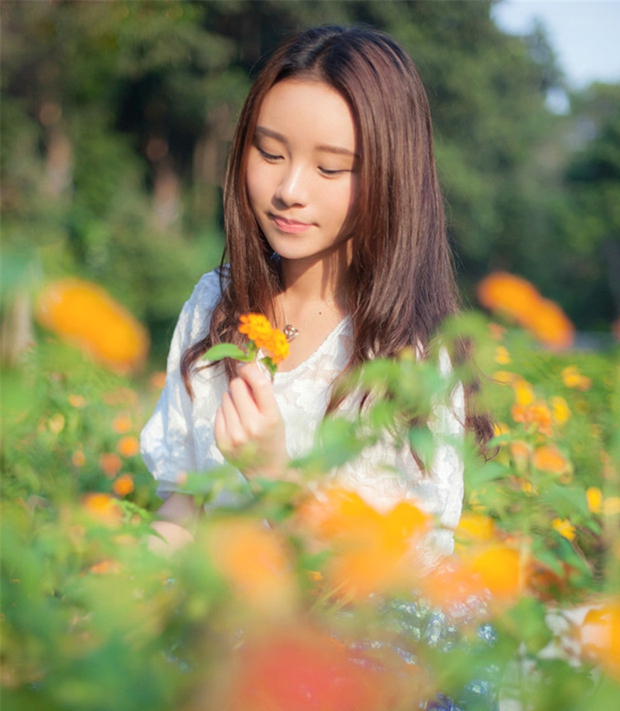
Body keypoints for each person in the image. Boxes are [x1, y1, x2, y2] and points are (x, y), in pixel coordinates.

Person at [140, 24, 490, 562]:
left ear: (392, 176)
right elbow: (185, 506)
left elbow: (398, 587)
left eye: (330, 168)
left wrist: (273, 476)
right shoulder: (216, 304)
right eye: (271, 153)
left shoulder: (410, 354)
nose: (289, 191)